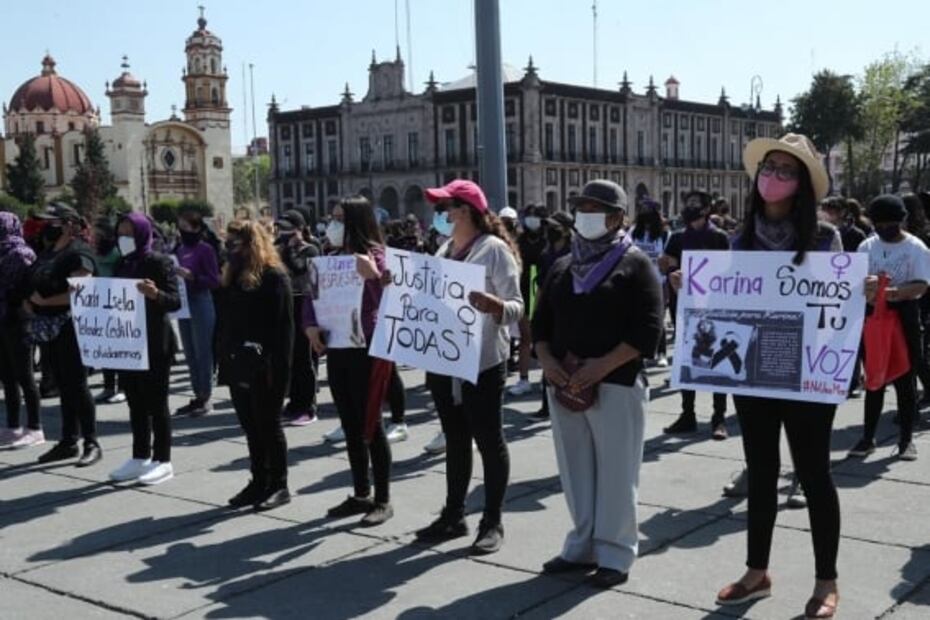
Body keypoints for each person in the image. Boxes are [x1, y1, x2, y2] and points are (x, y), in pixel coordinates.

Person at [710, 133, 842, 619]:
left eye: (786, 170)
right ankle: (756, 572)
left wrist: (860, 291)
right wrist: (696, 290)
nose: (773, 177)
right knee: (760, 472)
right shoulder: (737, 239)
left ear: (802, 183)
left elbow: (836, 311)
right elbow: (724, 305)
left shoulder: (825, 239)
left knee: (814, 474)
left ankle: (826, 580)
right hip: (755, 372)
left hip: (807, 375)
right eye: (769, 167)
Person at [533, 179, 662, 588]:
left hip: (616, 382)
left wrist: (601, 367)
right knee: (575, 469)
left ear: (617, 217)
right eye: (581, 206)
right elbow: (540, 326)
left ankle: (616, 552)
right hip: (565, 382)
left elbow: (648, 332)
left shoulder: (636, 263)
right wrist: (548, 360)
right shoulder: (562, 265)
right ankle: (582, 544)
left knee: (617, 471)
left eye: (595, 207)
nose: (584, 214)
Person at [414, 179, 524, 555]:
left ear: (465, 211)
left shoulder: (493, 250)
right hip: (445, 361)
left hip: (483, 363)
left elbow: (517, 306)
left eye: (445, 208)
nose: (440, 215)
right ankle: (453, 514)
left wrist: (495, 305)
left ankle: (492, 520)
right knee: (455, 440)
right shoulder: (444, 249)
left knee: (489, 441)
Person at [305, 197, 394, 527]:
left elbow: (391, 302)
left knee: (372, 424)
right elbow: (313, 298)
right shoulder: (329, 258)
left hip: (367, 349)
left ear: (356, 221)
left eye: (340, 218)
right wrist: (310, 325)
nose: (334, 224)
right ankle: (361, 493)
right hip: (339, 347)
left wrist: (373, 276)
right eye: (332, 218)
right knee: (350, 424)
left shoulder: (377, 256)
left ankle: (383, 499)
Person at [218, 220, 294, 511]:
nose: (230, 250)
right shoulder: (233, 277)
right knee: (250, 425)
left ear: (252, 244)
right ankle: (258, 480)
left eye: (235, 244)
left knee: (268, 424)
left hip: (267, 365)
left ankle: (279, 484)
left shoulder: (274, 278)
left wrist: (277, 369)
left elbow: (283, 331)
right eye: (228, 244)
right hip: (238, 361)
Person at [847, 195, 929, 462]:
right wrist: (868, 288)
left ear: (902, 221)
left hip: (904, 316)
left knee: (905, 379)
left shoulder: (916, 248)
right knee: (874, 378)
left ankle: (906, 440)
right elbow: (854, 283)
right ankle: (867, 437)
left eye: (890, 224)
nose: (884, 229)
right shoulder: (866, 246)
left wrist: (892, 293)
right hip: (874, 317)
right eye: (879, 224)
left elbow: (921, 285)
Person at [108, 212, 181, 485]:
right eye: (120, 233)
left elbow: (174, 301)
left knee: (157, 403)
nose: (123, 238)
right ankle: (140, 456)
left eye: (128, 232)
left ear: (141, 232)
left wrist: (155, 295)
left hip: (154, 343)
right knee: (135, 402)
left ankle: (163, 460)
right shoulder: (123, 263)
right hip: (128, 343)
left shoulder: (158, 262)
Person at [29, 204, 101, 466]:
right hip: (48, 328)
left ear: (69, 224)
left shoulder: (79, 252)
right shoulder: (49, 251)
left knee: (78, 384)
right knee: (62, 384)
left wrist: (47, 303)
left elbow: (82, 290)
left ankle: (91, 441)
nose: (47, 226)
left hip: (73, 327)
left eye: (53, 221)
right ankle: (68, 441)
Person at [658, 190, 731, 439]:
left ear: (706, 208)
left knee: (717, 360)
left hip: (715, 306)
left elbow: (731, 271)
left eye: (695, 204)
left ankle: (718, 417)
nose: (690, 207)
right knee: (686, 360)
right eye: (687, 203)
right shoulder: (677, 237)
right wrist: (671, 272)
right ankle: (687, 414)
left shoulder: (720, 237)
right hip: (685, 308)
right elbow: (667, 264)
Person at [274, 209, 321, 427]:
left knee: (305, 359)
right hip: (287, 305)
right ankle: (294, 402)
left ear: (299, 229)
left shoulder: (310, 249)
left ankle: (308, 406)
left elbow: (301, 269)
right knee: (290, 358)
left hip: (305, 303)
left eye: (287, 228)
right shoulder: (280, 248)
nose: (281, 233)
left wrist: (290, 250)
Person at [0, 212, 43, 450]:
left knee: (25, 376)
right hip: (3, 319)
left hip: (19, 318)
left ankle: (35, 427)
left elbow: (27, 286)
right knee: (6, 376)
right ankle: (13, 424)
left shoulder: (21, 253)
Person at [174, 205, 220, 417]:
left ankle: (206, 396)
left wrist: (193, 277)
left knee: (203, 352)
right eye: (180, 226)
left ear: (195, 228)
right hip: (184, 303)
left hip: (201, 301)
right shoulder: (179, 250)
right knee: (190, 352)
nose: (182, 230)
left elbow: (214, 280)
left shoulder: (205, 249)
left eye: (186, 227)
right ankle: (197, 394)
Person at [529, 211, 574, 421]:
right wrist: (535, 312)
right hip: (548, 312)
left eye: (555, 227)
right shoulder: (546, 254)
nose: (549, 231)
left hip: (566, 313)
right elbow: (539, 287)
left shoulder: (574, 253)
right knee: (546, 359)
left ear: (566, 230)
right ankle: (546, 404)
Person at [508, 204, 547, 397]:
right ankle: (523, 379)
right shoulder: (520, 240)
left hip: (545, 290)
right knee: (525, 337)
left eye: (535, 216)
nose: (531, 220)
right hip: (524, 289)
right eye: (528, 216)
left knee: (545, 338)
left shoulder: (548, 239)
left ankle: (547, 378)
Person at [90, 216, 127, 405]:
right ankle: (108, 386)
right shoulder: (94, 252)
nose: (94, 237)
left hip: (118, 305)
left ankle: (122, 387)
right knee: (105, 349)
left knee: (119, 349)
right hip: (99, 304)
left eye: (97, 234)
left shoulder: (119, 252)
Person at [630, 199, 670, 367]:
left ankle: (661, 352)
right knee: (638, 318)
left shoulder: (665, 235)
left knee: (658, 319)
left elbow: (667, 259)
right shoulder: (633, 233)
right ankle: (641, 352)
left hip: (658, 281)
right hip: (637, 282)